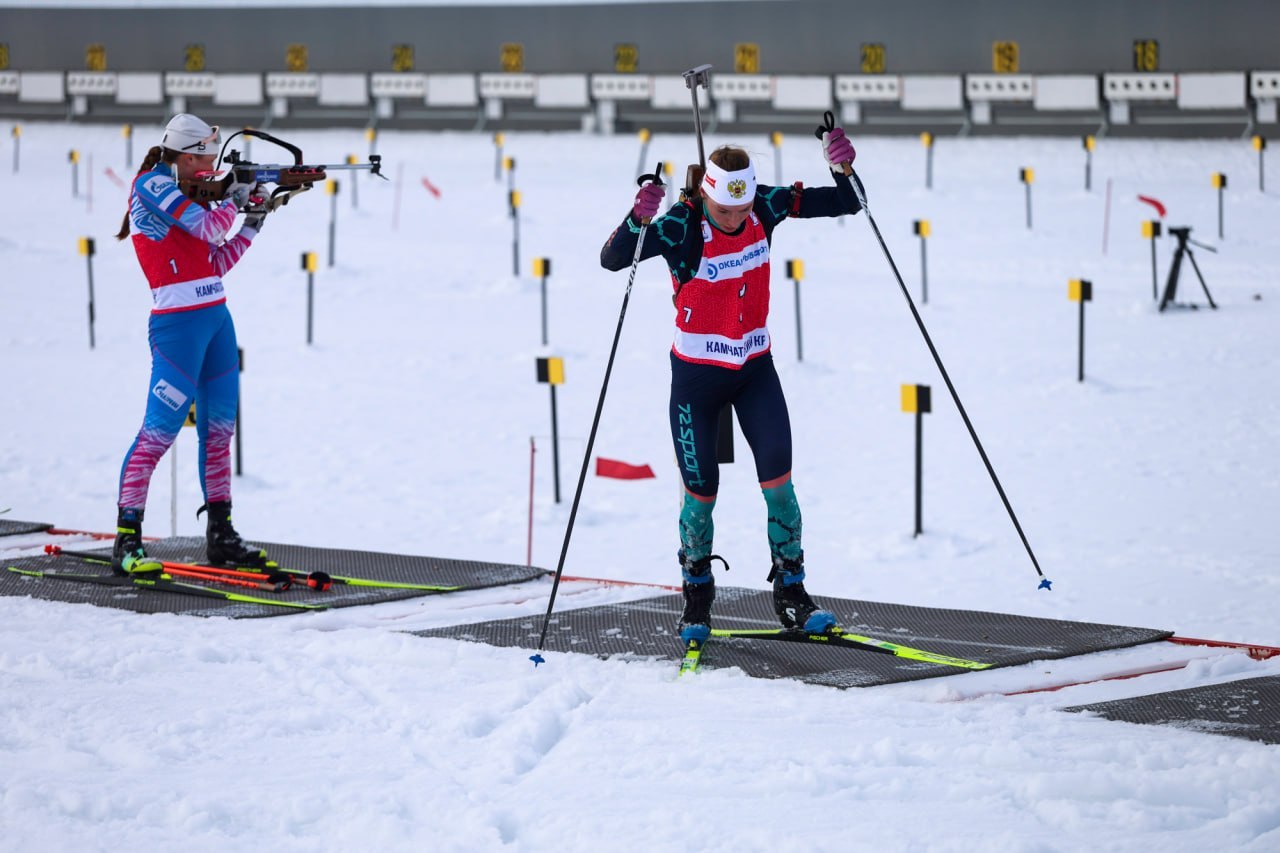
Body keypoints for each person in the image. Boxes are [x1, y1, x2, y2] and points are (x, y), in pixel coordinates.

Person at [599, 127, 861, 643]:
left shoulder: (764, 205)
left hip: (755, 371)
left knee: (780, 489)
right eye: (725, 212)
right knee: (700, 498)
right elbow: (613, 258)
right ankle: (697, 597)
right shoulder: (681, 224)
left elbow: (848, 202)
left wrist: (842, 166)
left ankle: (792, 595)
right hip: (697, 381)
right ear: (707, 195)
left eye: (742, 211)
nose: (737, 220)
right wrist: (638, 217)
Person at [110, 114, 270, 575]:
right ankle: (127, 540)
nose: (210, 167)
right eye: (204, 158)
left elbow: (215, 260)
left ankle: (221, 534)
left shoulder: (189, 195)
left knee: (219, 433)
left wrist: (253, 222)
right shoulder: (151, 186)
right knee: (158, 433)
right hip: (178, 327)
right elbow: (209, 228)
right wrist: (235, 199)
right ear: (182, 155)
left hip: (217, 319)